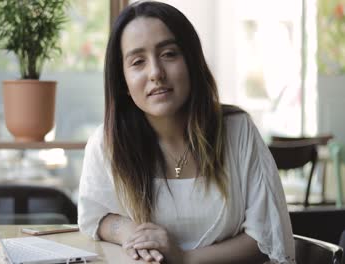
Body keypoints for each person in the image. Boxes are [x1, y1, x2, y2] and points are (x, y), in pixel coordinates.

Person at [78, 1, 295, 263]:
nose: (156, 72)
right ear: (122, 81)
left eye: (169, 54)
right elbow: (94, 216)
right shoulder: (106, 143)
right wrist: (130, 231)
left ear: (191, 61)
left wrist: (184, 258)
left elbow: (266, 237)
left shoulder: (238, 130)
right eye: (138, 62)